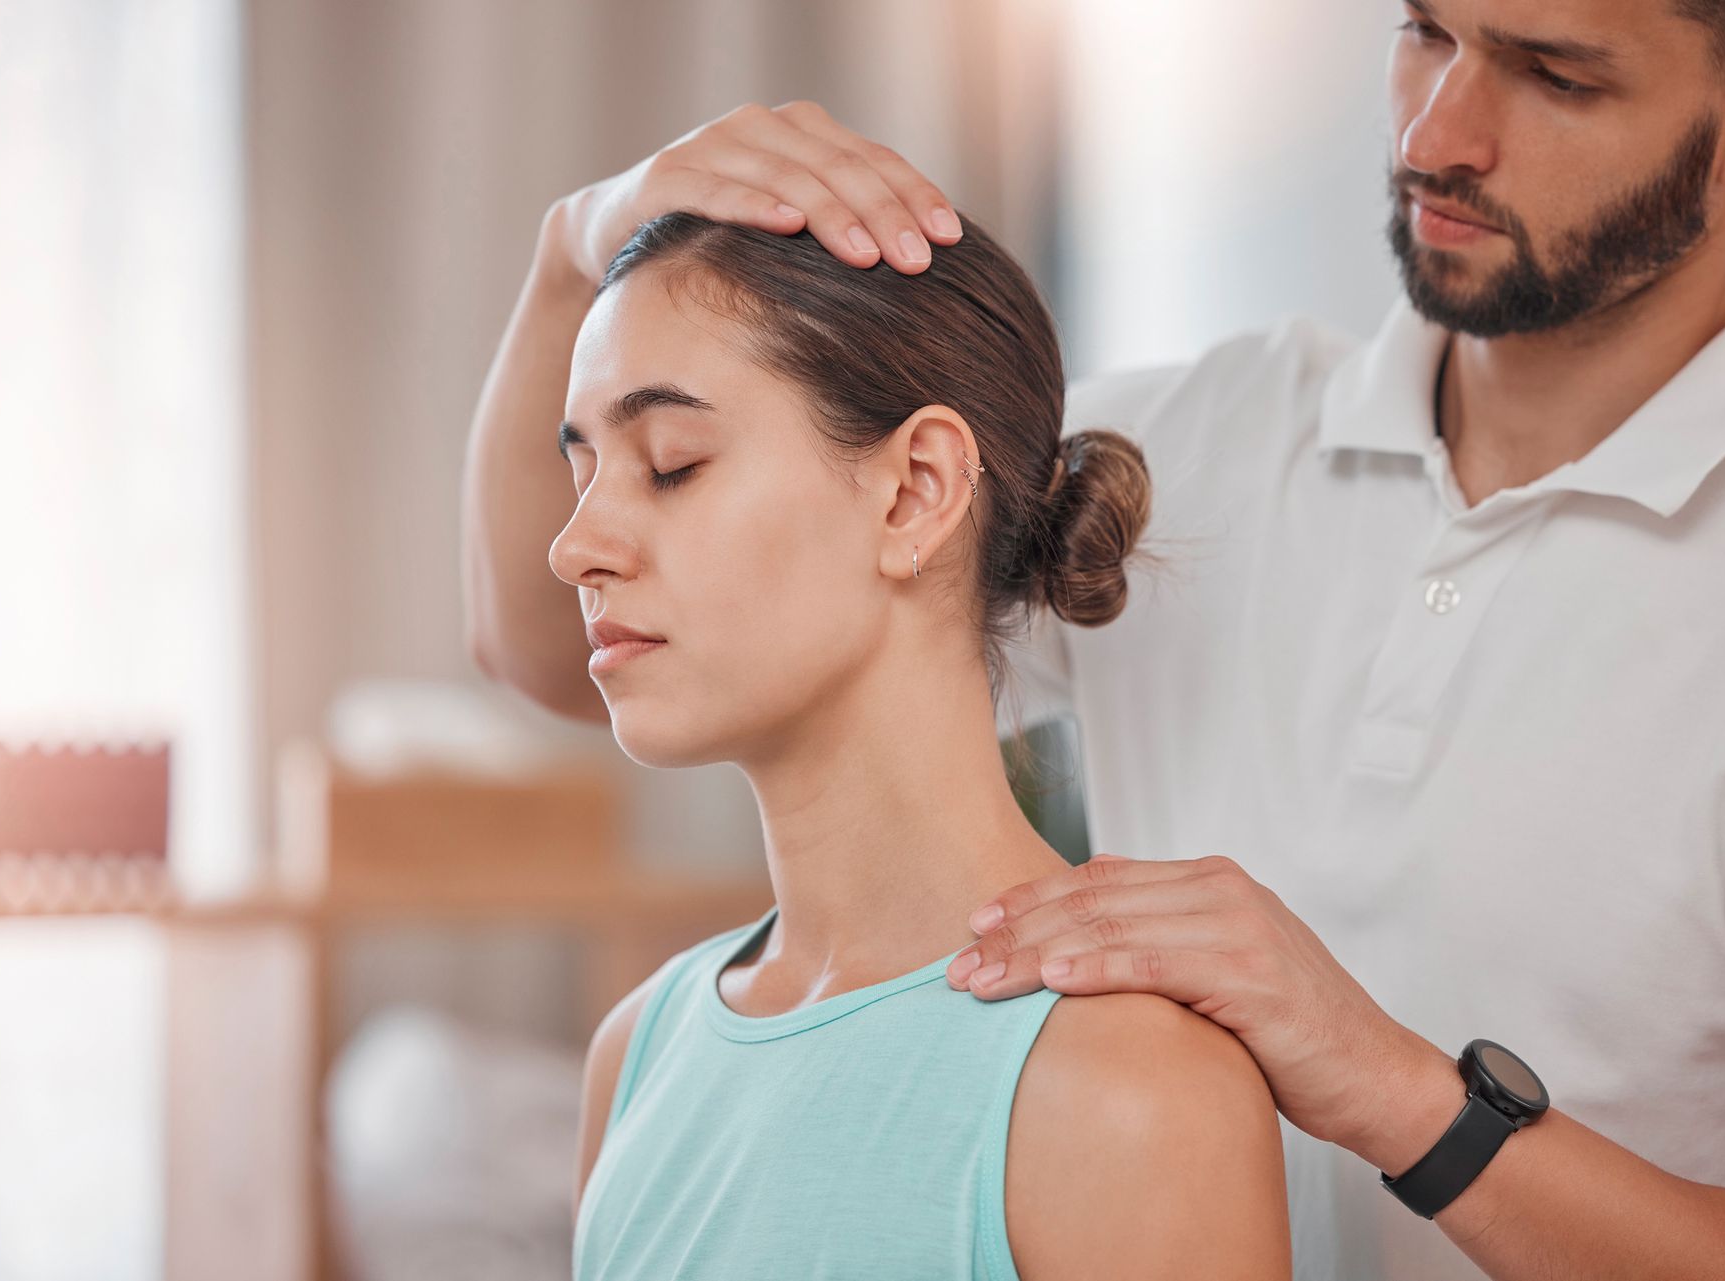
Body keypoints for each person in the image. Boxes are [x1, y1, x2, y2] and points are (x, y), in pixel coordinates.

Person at [466, 2, 1725, 1278]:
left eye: (1556, 74)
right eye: (1424, 30)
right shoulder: (1190, 454)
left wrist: (1403, 1096)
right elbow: (560, 649)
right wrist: (569, 250)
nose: (1438, 133)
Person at [485, 202, 1292, 1279]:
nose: (574, 545)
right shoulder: (637, 1055)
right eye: (585, 469)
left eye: (671, 463)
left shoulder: (1131, 1091)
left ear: (916, 493)